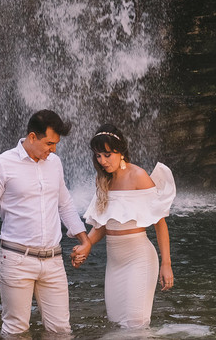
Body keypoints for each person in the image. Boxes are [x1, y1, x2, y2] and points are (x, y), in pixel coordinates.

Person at [0, 109, 93, 336]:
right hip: (17, 259)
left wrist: (84, 240)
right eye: (49, 143)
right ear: (32, 137)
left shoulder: (55, 163)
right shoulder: (1, 165)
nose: (53, 149)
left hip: (53, 261)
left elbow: (65, 205)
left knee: (61, 330)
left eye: (56, 144)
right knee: (16, 330)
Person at [70, 124, 175, 328]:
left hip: (140, 258)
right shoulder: (103, 180)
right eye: (98, 156)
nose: (103, 161)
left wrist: (166, 264)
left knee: (136, 324)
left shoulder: (138, 176)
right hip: (115, 263)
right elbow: (102, 225)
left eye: (108, 154)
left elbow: (160, 223)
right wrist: (85, 245)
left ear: (121, 151)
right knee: (117, 323)